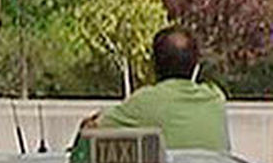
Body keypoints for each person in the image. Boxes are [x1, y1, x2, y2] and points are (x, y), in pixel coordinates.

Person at [84, 26, 231, 151]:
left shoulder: (144, 102)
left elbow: (89, 132)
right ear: (195, 66)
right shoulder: (215, 98)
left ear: (154, 65)